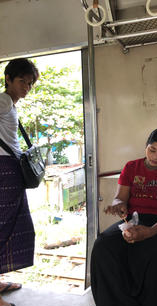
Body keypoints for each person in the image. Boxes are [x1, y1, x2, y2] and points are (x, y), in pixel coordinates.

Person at [90, 128, 157, 306]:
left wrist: (150, 232)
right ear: (146, 146)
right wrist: (118, 205)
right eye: (152, 150)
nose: (155, 156)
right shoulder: (131, 167)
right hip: (134, 221)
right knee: (103, 245)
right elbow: (120, 197)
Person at [0, 58, 39, 306]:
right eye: (21, 81)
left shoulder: (10, 105)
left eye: (29, 83)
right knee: (2, 225)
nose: (26, 86)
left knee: (11, 224)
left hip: (10, 169)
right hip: (2, 169)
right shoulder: (3, 100)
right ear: (8, 80)